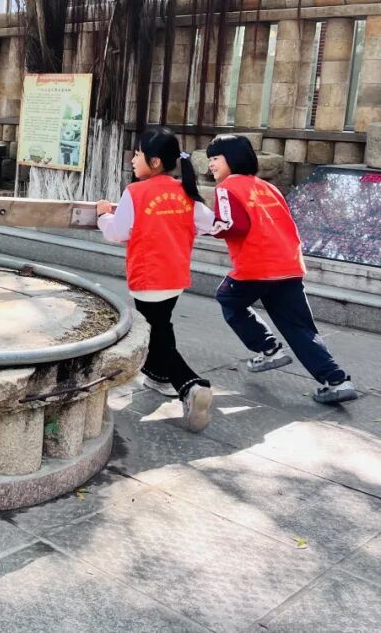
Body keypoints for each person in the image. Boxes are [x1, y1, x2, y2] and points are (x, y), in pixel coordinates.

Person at [205, 134, 358, 404]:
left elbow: (232, 225)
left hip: (257, 266)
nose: (211, 164)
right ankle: (337, 381)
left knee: (228, 298)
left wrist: (204, 227)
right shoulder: (268, 187)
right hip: (289, 264)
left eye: (216, 158)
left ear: (233, 158)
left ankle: (269, 349)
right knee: (299, 327)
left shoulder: (227, 187)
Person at [96, 127, 215, 432]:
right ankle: (160, 378)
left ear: (155, 161)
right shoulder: (185, 191)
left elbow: (117, 232)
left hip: (148, 277)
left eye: (137, 154)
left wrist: (103, 215)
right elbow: (208, 222)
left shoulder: (136, 192)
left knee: (154, 335)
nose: (132, 159)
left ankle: (191, 385)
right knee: (162, 326)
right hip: (176, 275)